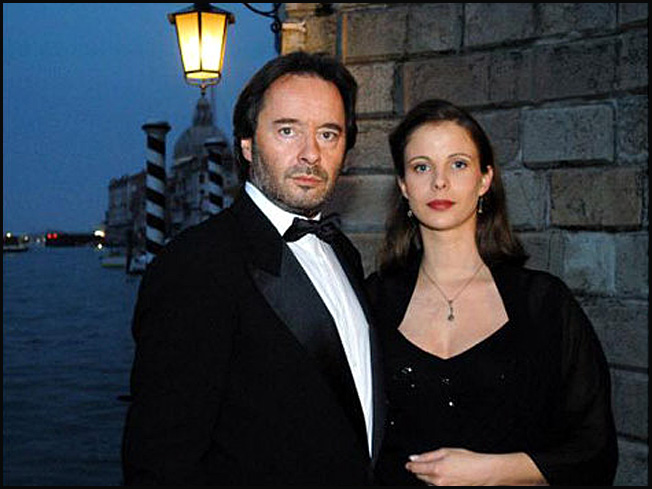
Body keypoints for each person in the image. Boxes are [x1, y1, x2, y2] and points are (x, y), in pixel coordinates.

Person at [122, 51, 386, 485]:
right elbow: (160, 463)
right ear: (247, 144)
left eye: (328, 134)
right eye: (288, 131)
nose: (311, 154)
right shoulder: (195, 265)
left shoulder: (344, 253)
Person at [365, 99, 618, 486]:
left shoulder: (544, 304)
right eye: (421, 167)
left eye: (458, 164)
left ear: (484, 179)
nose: (439, 182)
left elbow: (594, 449)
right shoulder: (373, 301)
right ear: (403, 185)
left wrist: (488, 471)